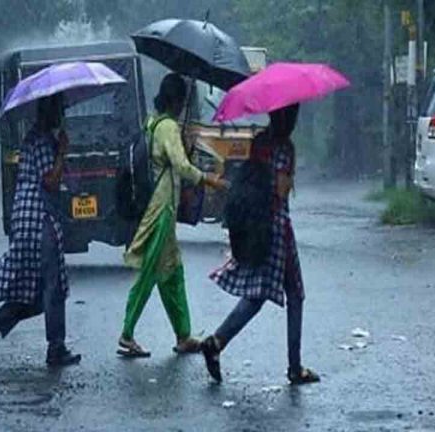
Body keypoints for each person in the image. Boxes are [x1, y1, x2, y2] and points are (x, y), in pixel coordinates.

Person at [201, 104, 320, 385]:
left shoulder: (259, 141)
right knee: (294, 295)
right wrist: (290, 178)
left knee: (259, 295)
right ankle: (294, 367)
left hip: (255, 225)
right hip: (278, 228)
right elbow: (280, 190)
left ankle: (217, 342)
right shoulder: (285, 148)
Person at [117, 74, 228, 358]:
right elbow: (180, 166)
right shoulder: (167, 127)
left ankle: (183, 334)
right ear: (177, 101)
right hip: (161, 208)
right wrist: (208, 179)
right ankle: (127, 333)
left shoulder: (153, 122)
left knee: (172, 272)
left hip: (162, 205)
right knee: (151, 272)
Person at [0, 94, 81, 367]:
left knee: (37, 295)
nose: (62, 114)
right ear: (50, 112)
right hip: (39, 219)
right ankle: (56, 348)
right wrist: (61, 152)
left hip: (25, 219)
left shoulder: (34, 139)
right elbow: (50, 181)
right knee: (53, 288)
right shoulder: (44, 141)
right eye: (59, 109)